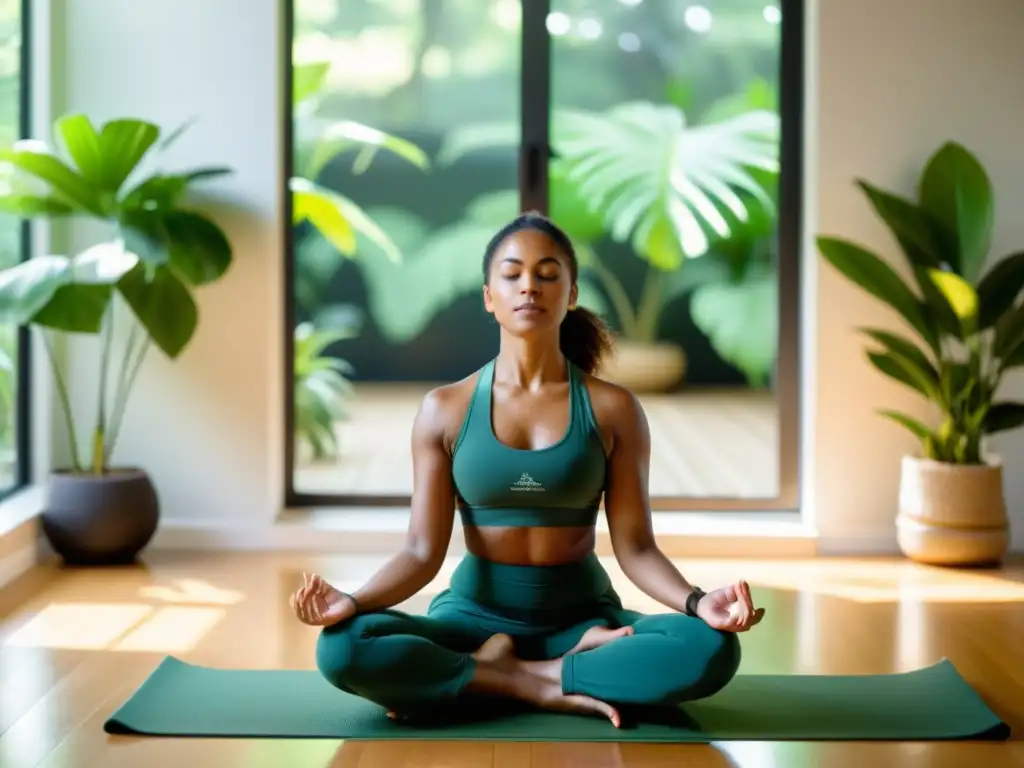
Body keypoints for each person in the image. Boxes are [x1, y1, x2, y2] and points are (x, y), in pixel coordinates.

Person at [291, 211, 765, 728]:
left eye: (547, 273)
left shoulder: (613, 409)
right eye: (512, 273)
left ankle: (487, 678)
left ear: (572, 292)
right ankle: (544, 678)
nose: (529, 287)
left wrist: (698, 603)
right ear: (489, 296)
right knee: (342, 647)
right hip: (473, 620)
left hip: (584, 619)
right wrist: (351, 601)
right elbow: (421, 553)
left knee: (710, 649)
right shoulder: (444, 409)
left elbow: (637, 549)